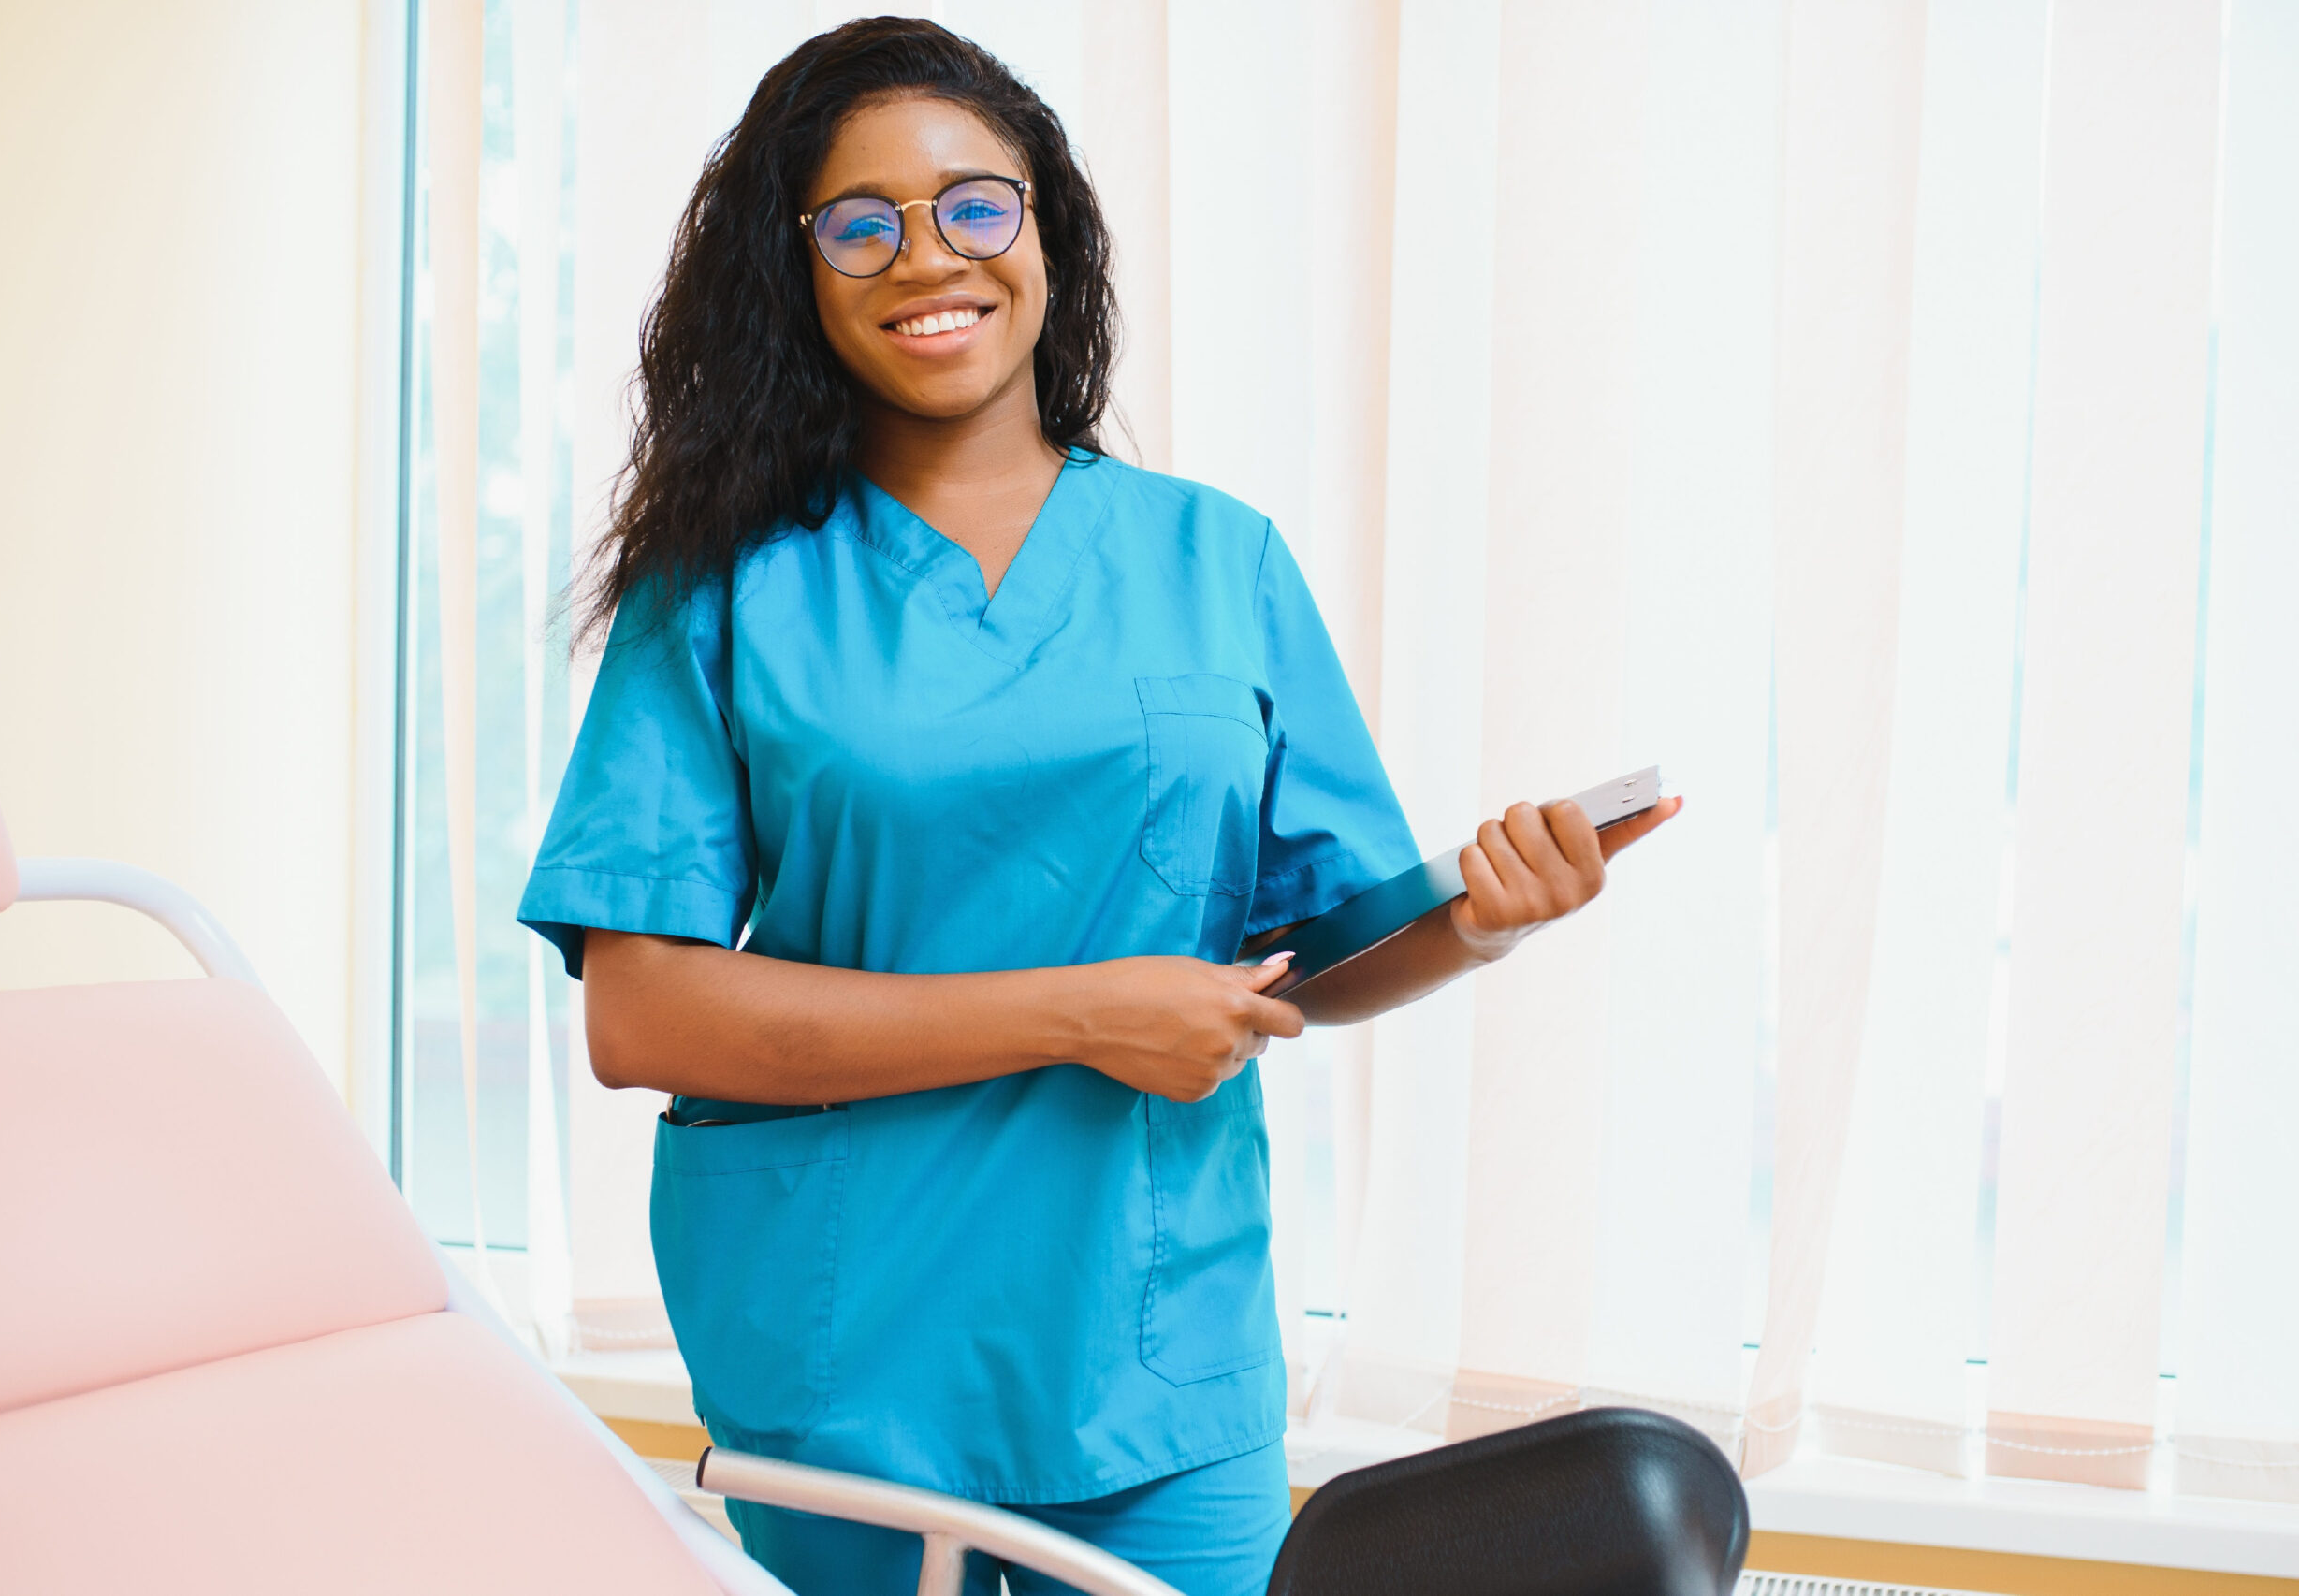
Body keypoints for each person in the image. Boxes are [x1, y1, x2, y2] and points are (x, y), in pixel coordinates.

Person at [518, 18, 1678, 1596]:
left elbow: (1302, 963)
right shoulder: (718, 588)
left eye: (975, 203)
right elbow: (642, 1012)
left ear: (1048, 230)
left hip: (1159, 1341)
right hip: (849, 1342)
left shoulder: (1221, 561)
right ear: (799, 273)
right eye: (860, 223)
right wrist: (1078, 1013)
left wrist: (1475, 919)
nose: (928, 253)